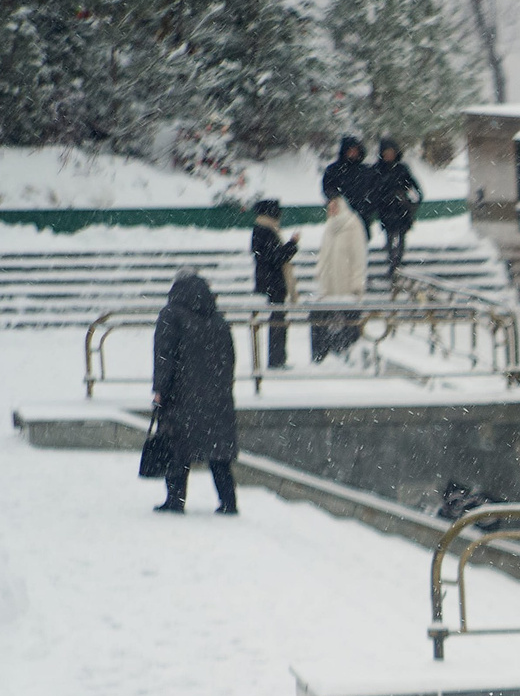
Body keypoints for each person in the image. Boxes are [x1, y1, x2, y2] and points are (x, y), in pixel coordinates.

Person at [151, 271, 239, 514]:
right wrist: (221, 386)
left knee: (177, 449)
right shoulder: (217, 320)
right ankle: (228, 502)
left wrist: (160, 389)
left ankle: (175, 501)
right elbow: (229, 358)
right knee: (219, 453)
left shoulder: (171, 315)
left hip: (181, 396)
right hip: (216, 397)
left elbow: (164, 356)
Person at [311, 194, 367, 364]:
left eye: (334, 206)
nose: (331, 210)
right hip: (329, 285)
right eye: (330, 207)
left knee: (347, 321)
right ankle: (323, 355)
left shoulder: (353, 225)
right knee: (323, 320)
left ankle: (346, 352)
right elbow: (324, 254)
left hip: (346, 284)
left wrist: (357, 284)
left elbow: (359, 256)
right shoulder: (330, 227)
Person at [250, 198, 299, 369]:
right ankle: (277, 358)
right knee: (278, 320)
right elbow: (276, 257)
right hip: (274, 282)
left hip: (270, 281)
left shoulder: (262, 229)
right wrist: (292, 244)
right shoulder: (266, 231)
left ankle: (277, 357)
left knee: (277, 318)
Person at [367, 139, 422, 278]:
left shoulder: (401, 168)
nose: (389, 156)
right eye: (386, 153)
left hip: (401, 208)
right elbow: (372, 189)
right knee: (390, 236)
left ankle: (397, 263)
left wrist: (413, 201)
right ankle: (393, 263)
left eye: (391, 152)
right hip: (386, 209)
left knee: (401, 236)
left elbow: (414, 186)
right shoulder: (377, 170)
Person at [320, 134, 373, 235]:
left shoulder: (365, 170)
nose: (352, 153)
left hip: (362, 212)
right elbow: (327, 187)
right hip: (341, 213)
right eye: (350, 150)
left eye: (355, 150)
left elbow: (373, 188)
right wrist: (335, 198)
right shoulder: (334, 170)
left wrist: (368, 204)